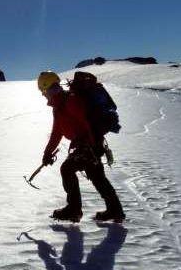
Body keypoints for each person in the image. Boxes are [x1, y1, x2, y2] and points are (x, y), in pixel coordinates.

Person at [37, 70, 125, 223]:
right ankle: (115, 210)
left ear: (47, 88)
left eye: (43, 91)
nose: (43, 94)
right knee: (97, 177)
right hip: (87, 144)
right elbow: (56, 133)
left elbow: (86, 122)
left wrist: (93, 146)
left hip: (88, 144)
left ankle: (74, 209)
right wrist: (47, 153)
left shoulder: (70, 101)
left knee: (67, 169)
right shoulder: (58, 107)